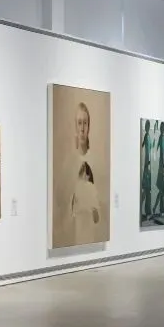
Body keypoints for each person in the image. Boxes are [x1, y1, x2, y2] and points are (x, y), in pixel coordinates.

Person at [68, 102, 101, 242]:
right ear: (75, 126)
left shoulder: (95, 160)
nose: (82, 129)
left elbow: (98, 215)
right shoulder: (70, 162)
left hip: (91, 233)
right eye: (79, 123)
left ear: (89, 127)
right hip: (75, 232)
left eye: (85, 123)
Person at [154, 121, 164, 218]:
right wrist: (162, 167)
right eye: (161, 127)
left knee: (162, 191)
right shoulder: (160, 138)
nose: (162, 129)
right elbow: (157, 151)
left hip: (163, 166)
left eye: (163, 127)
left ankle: (156, 208)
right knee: (162, 191)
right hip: (161, 166)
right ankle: (160, 210)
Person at [141, 120, 152, 223]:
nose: (147, 127)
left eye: (148, 126)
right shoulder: (146, 136)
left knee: (147, 191)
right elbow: (143, 147)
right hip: (146, 166)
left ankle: (147, 212)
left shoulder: (148, 136)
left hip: (148, 166)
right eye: (146, 126)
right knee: (146, 190)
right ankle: (141, 210)